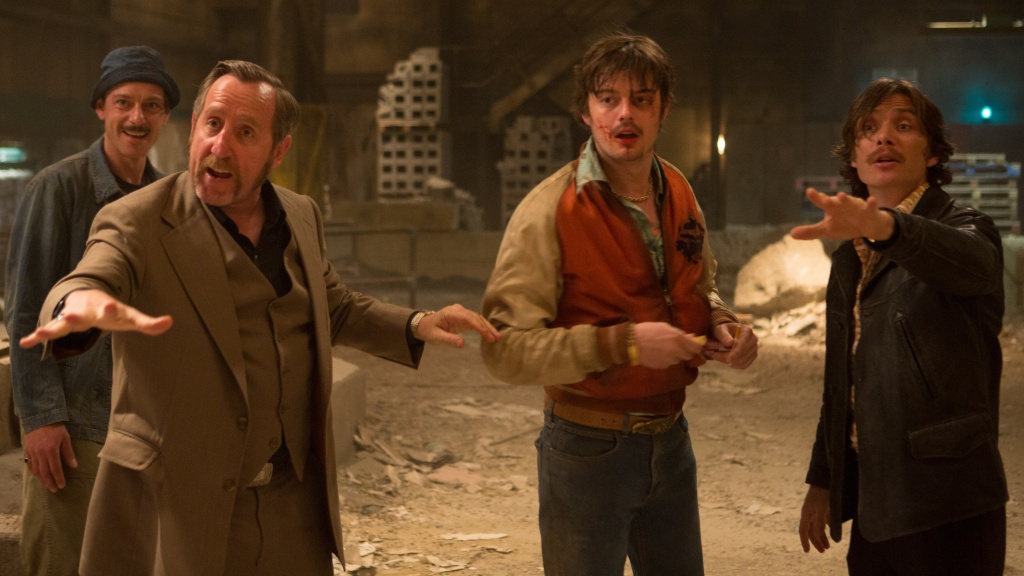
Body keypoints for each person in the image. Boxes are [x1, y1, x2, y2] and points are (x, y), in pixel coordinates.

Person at [18, 59, 500, 576]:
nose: (220, 145)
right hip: (181, 506)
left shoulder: (300, 214)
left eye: (245, 133)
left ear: (278, 150)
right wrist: (79, 302)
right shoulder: (137, 218)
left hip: (290, 506)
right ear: (194, 126)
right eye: (213, 123)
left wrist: (415, 323)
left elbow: (333, 306)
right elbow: (95, 272)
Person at [480, 31, 758, 575]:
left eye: (642, 99)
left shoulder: (678, 189)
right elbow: (504, 349)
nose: (624, 113)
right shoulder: (550, 208)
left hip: (671, 442)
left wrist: (721, 321)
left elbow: (702, 281)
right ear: (586, 111)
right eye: (608, 98)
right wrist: (622, 344)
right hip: (586, 449)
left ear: (664, 109)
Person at [792, 78, 1007, 575]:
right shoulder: (850, 257)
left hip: (950, 503)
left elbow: (972, 264)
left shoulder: (966, 226)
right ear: (854, 156)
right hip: (878, 505)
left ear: (932, 153)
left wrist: (887, 228)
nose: (883, 137)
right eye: (868, 129)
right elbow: (841, 382)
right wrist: (823, 479)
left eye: (903, 126)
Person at [5, 45, 178, 576]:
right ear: (101, 108)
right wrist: (41, 419)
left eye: (152, 105)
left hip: (141, 426)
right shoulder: (58, 189)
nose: (137, 117)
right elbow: (26, 309)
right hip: (74, 426)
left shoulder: (167, 200)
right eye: (124, 102)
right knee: (62, 562)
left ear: (165, 118)